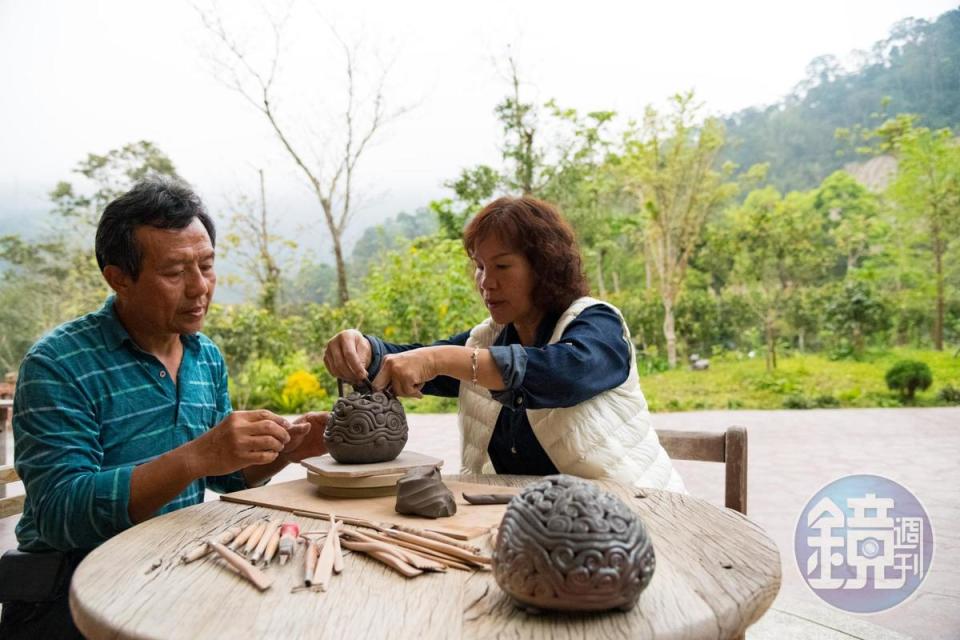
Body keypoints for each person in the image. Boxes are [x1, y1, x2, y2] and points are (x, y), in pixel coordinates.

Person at [0, 178, 327, 639]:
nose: (200, 288)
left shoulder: (204, 355)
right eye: (175, 273)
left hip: (167, 568)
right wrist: (195, 454)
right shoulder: (59, 364)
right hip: (66, 590)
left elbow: (222, 475)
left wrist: (287, 450)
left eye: (208, 266)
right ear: (119, 279)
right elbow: (59, 512)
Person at [324, 196, 684, 491]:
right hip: (540, 525)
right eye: (480, 267)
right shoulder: (487, 340)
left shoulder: (597, 324)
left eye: (502, 267)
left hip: (638, 514)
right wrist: (366, 351)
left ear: (543, 266)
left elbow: (563, 373)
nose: (486, 282)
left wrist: (442, 358)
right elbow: (418, 360)